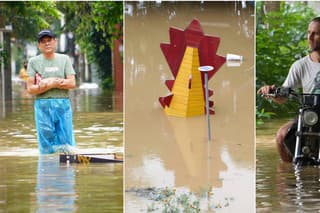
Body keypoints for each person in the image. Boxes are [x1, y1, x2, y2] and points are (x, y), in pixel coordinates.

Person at [257, 17, 320, 162]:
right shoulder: (300, 66)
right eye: (308, 33)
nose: (309, 38)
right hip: (310, 115)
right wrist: (272, 92)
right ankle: (287, 177)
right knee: (281, 136)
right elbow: (283, 96)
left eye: (315, 34)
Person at [27, 29, 77, 154]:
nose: (47, 43)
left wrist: (51, 82)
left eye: (49, 40)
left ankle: (67, 170)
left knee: (66, 142)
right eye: (43, 41)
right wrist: (50, 85)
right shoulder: (33, 62)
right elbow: (30, 89)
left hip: (62, 105)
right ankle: (47, 169)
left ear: (55, 42)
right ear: (39, 45)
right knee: (46, 142)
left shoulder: (64, 59)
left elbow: (72, 83)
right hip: (42, 105)